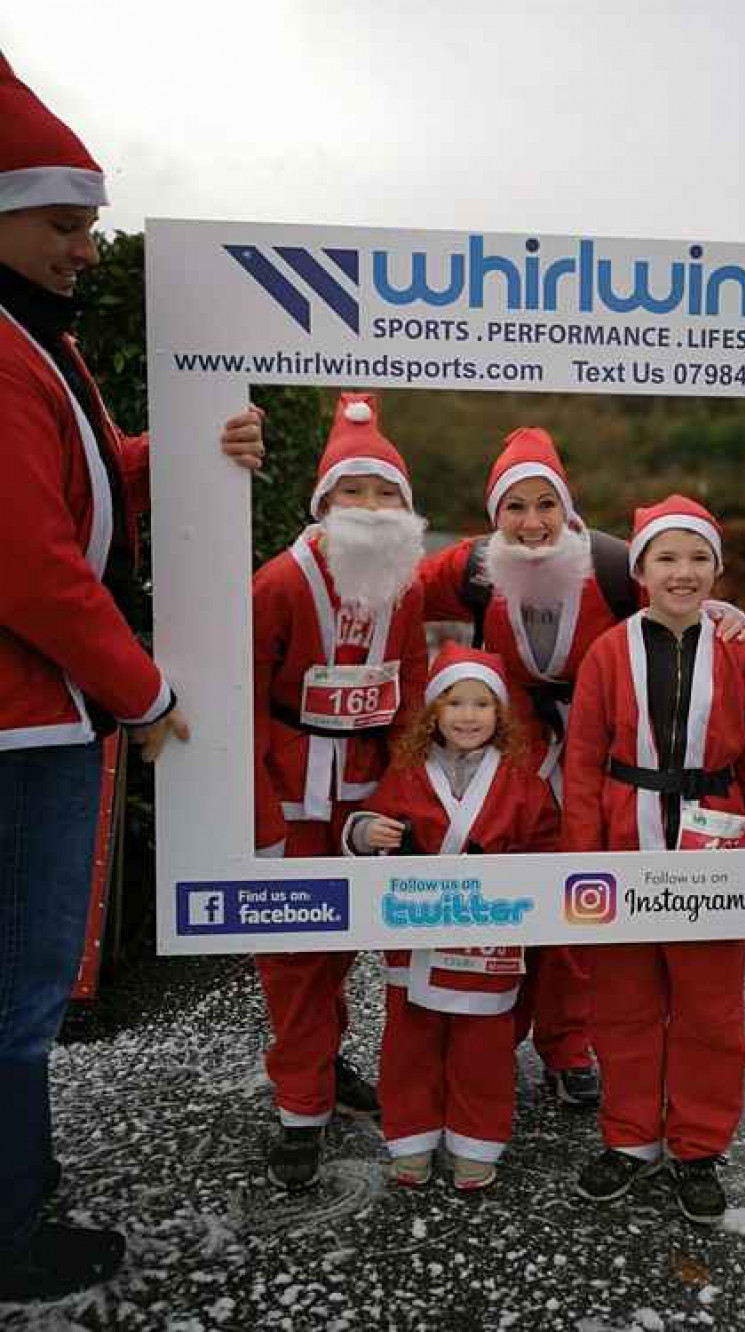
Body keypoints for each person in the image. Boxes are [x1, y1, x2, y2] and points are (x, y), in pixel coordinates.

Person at [0, 57, 264, 1303]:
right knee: (17, 988)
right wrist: (145, 691)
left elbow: (90, 480)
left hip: (39, 725)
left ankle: (23, 1187)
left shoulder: (35, 344)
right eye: (65, 225)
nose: (85, 252)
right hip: (19, 727)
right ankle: (8, 1239)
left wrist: (197, 451)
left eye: (91, 228)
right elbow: (34, 569)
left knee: (23, 984)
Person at [419, 427, 745, 1109]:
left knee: (583, 898)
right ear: (494, 518)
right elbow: (390, 587)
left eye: (545, 504)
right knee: (510, 898)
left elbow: (677, 607)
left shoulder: (608, 565)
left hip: (600, 759)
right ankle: (489, 1037)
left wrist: (731, 620)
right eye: (514, 508)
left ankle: (568, 1043)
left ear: (568, 508)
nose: (532, 523)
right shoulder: (471, 568)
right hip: (512, 756)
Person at [562, 494, 745, 1225]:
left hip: (716, 848)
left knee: (711, 1010)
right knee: (621, 1005)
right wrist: (579, 863)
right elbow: (583, 762)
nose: (683, 573)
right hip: (625, 844)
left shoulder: (743, 650)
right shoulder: (607, 650)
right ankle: (630, 1137)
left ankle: (699, 1148)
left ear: (718, 566)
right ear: (641, 569)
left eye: (698, 557)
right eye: (666, 558)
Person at [252, 390, 428, 1192]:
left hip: (364, 798)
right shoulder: (278, 585)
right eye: (353, 490)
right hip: (292, 792)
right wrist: (254, 810)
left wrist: (398, 794)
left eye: (386, 492)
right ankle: (299, 1108)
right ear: (323, 502)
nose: (370, 506)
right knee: (293, 956)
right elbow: (241, 697)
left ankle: (318, 1062)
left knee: (342, 946)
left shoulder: (408, 585)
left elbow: (414, 694)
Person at [345, 643, 560, 1190]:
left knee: (482, 1053)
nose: (468, 716)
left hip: (489, 943)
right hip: (414, 941)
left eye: (482, 705)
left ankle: (476, 1142)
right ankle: (412, 1139)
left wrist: (522, 884)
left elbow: (548, 849)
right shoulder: (407, 774)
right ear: (434, 712)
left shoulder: (523, 782)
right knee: (409, 1048)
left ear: (501, 714)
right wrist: (367, 832)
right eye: (455, 703)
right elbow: (369, 822)